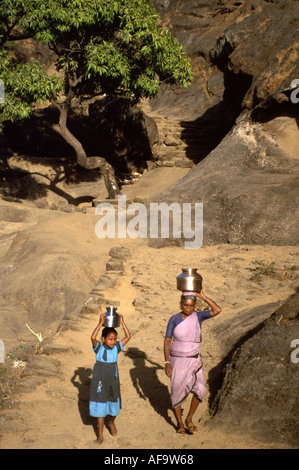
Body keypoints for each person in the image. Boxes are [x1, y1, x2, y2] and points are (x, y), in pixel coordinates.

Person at [164, 290, 221, 435]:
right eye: (185, 305)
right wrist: (166, 362)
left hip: (195, 359)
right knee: (177, 391)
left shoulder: (199, 316)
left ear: (195, 306)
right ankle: (180, 423)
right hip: (178, 360)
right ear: (180, 304)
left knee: (200, 389)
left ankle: (189, 418)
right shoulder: (174, 319)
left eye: (191, 306)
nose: (188, 309)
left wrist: (203, 297)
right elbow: (167, 341)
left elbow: (217, 310)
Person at [89, 311, 131, 444]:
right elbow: (92, 337)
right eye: (110, 339)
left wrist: (122, 322)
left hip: (113, 378)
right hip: (100, 379)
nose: (113, 341)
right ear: (103, 339)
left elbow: (128, 336)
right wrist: (100, 323)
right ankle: (100, 435)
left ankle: (111, 422)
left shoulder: (117, 348)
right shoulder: (98, 348)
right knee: (100, 404)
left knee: (114, 402)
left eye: (114, 339)